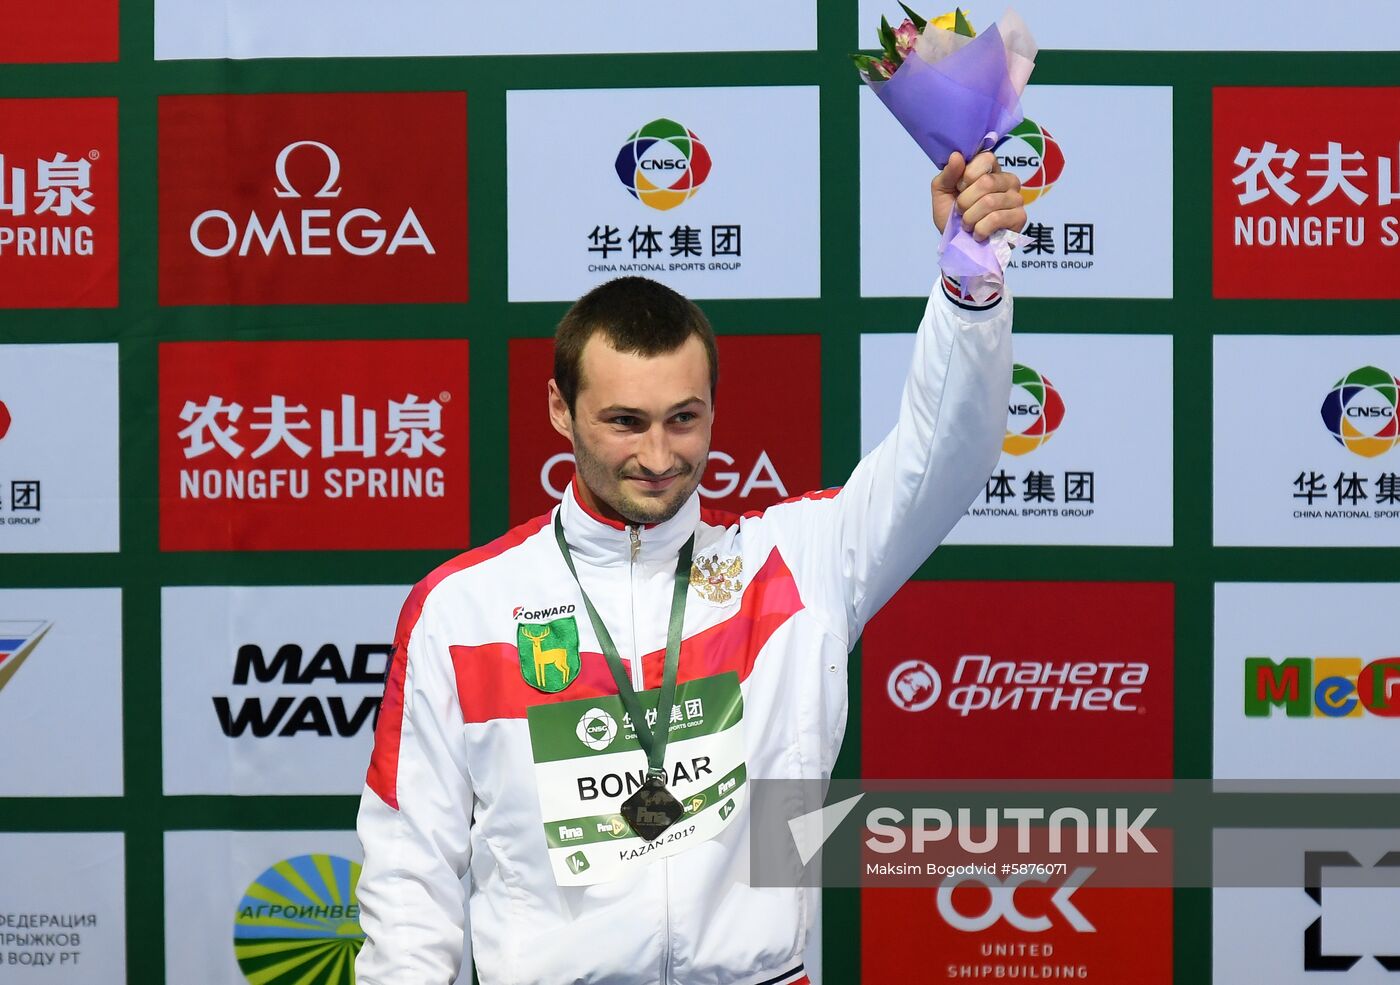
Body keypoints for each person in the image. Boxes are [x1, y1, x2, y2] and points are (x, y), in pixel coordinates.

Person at [355, 150, 1024, 985]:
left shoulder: (794, 562)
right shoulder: (465, 607)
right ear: (560, 409)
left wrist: (971, 278)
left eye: (684, 418)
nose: (659, 456)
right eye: (625, 421)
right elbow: (409, 872)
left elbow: (946, 458)